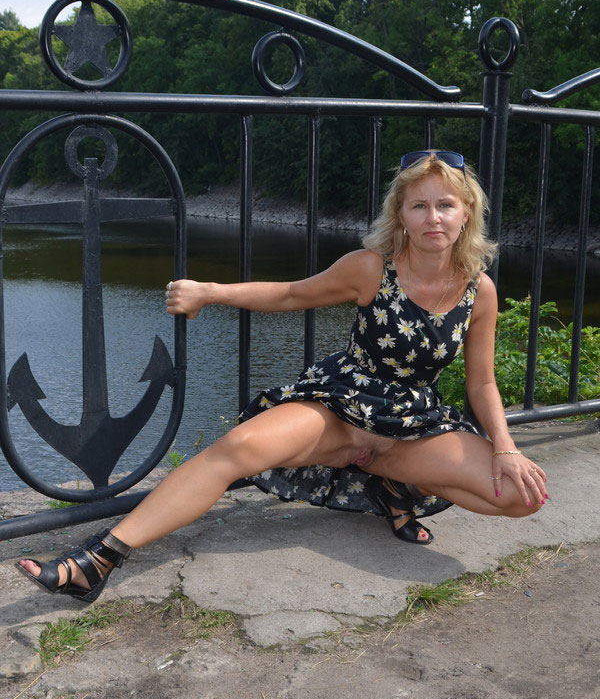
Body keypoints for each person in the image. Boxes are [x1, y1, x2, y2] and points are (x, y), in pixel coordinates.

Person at [16, 150, 548, 604]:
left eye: (445, 205)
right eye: (420, 205)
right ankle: (99, 559)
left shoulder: (480, 290)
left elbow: (482, 383)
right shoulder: (371, 268)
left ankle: (390, 478)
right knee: (237, 449)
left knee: (520, 496)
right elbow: (292, 294)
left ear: (466, 212)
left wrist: (505, 447)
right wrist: (210, 292)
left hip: (410, 426)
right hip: (341, 408)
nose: (434, 218)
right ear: (401, 215)